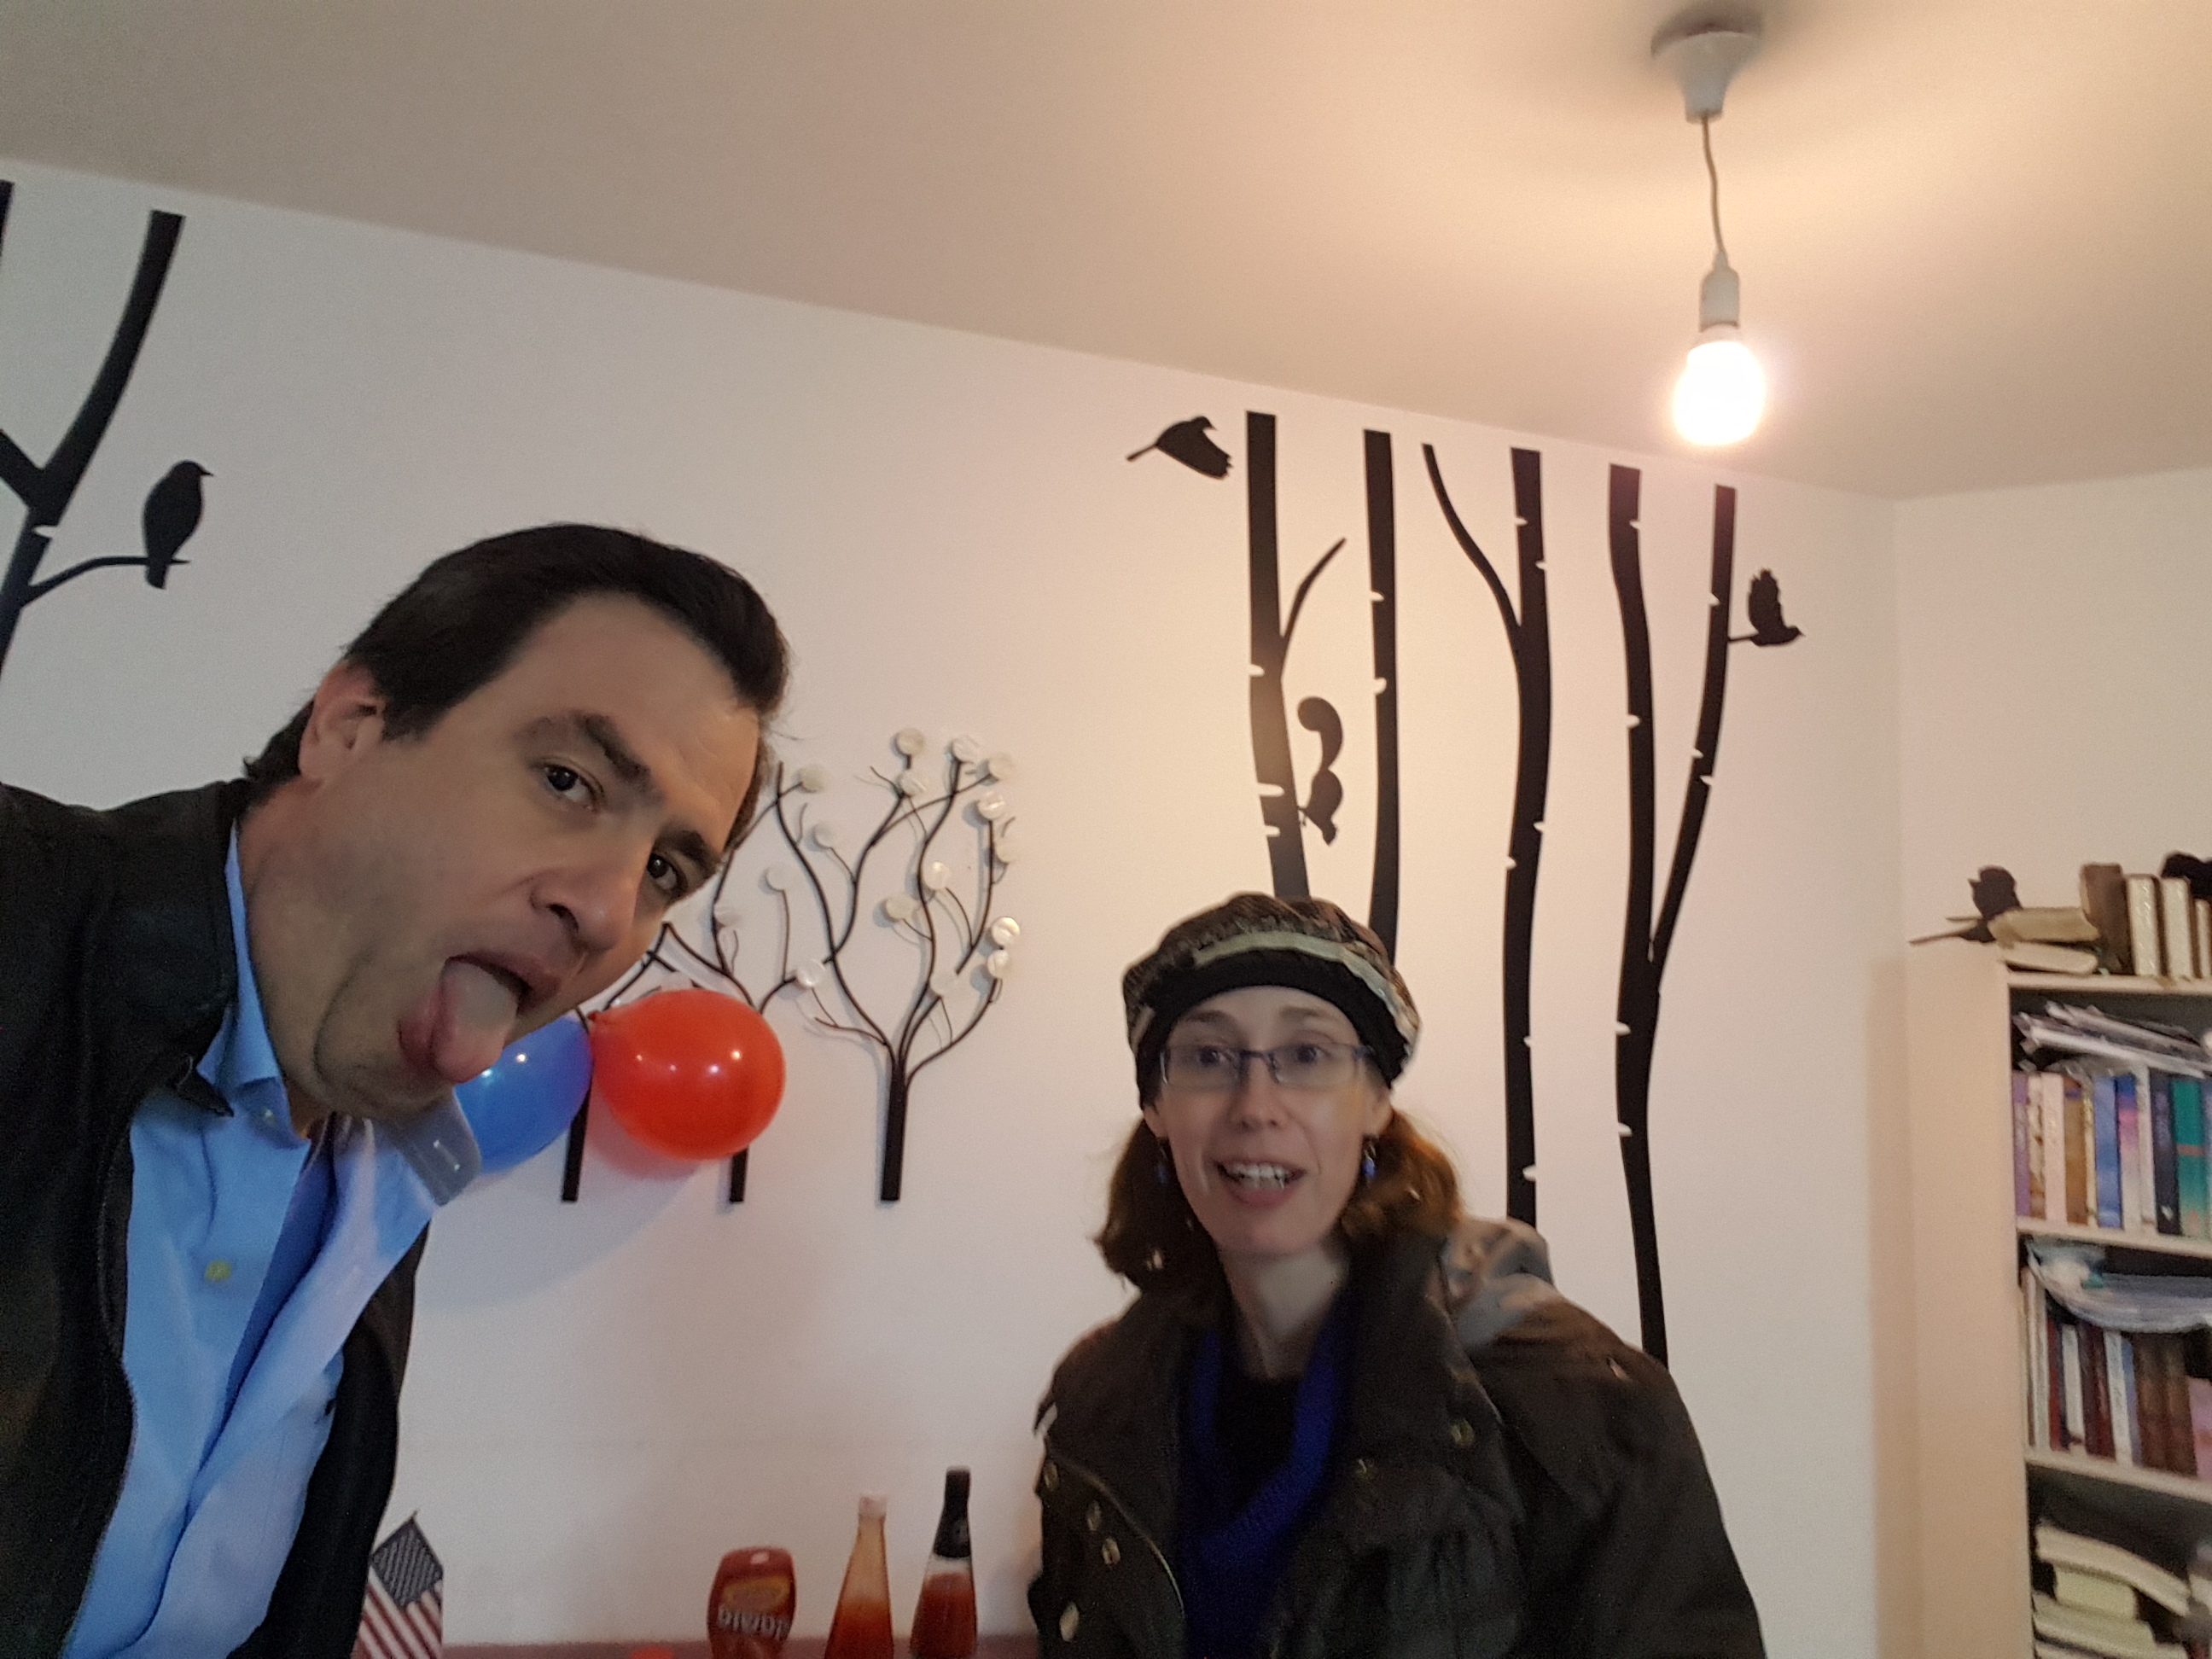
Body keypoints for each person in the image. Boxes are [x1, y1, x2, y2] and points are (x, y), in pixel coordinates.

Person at [0, 524, 788, 1659]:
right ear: (350, 726)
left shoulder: (393, 1171)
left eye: (666, 869)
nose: (609, 911)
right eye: (567, 781)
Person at [1029, 894, 1765, 1658]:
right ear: (1156, 1105)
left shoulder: (1578, 1408)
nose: (1256, 1107)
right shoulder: (1100, 1405)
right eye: (1209, 1058)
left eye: (1307, 1055)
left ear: (1376, 1099)